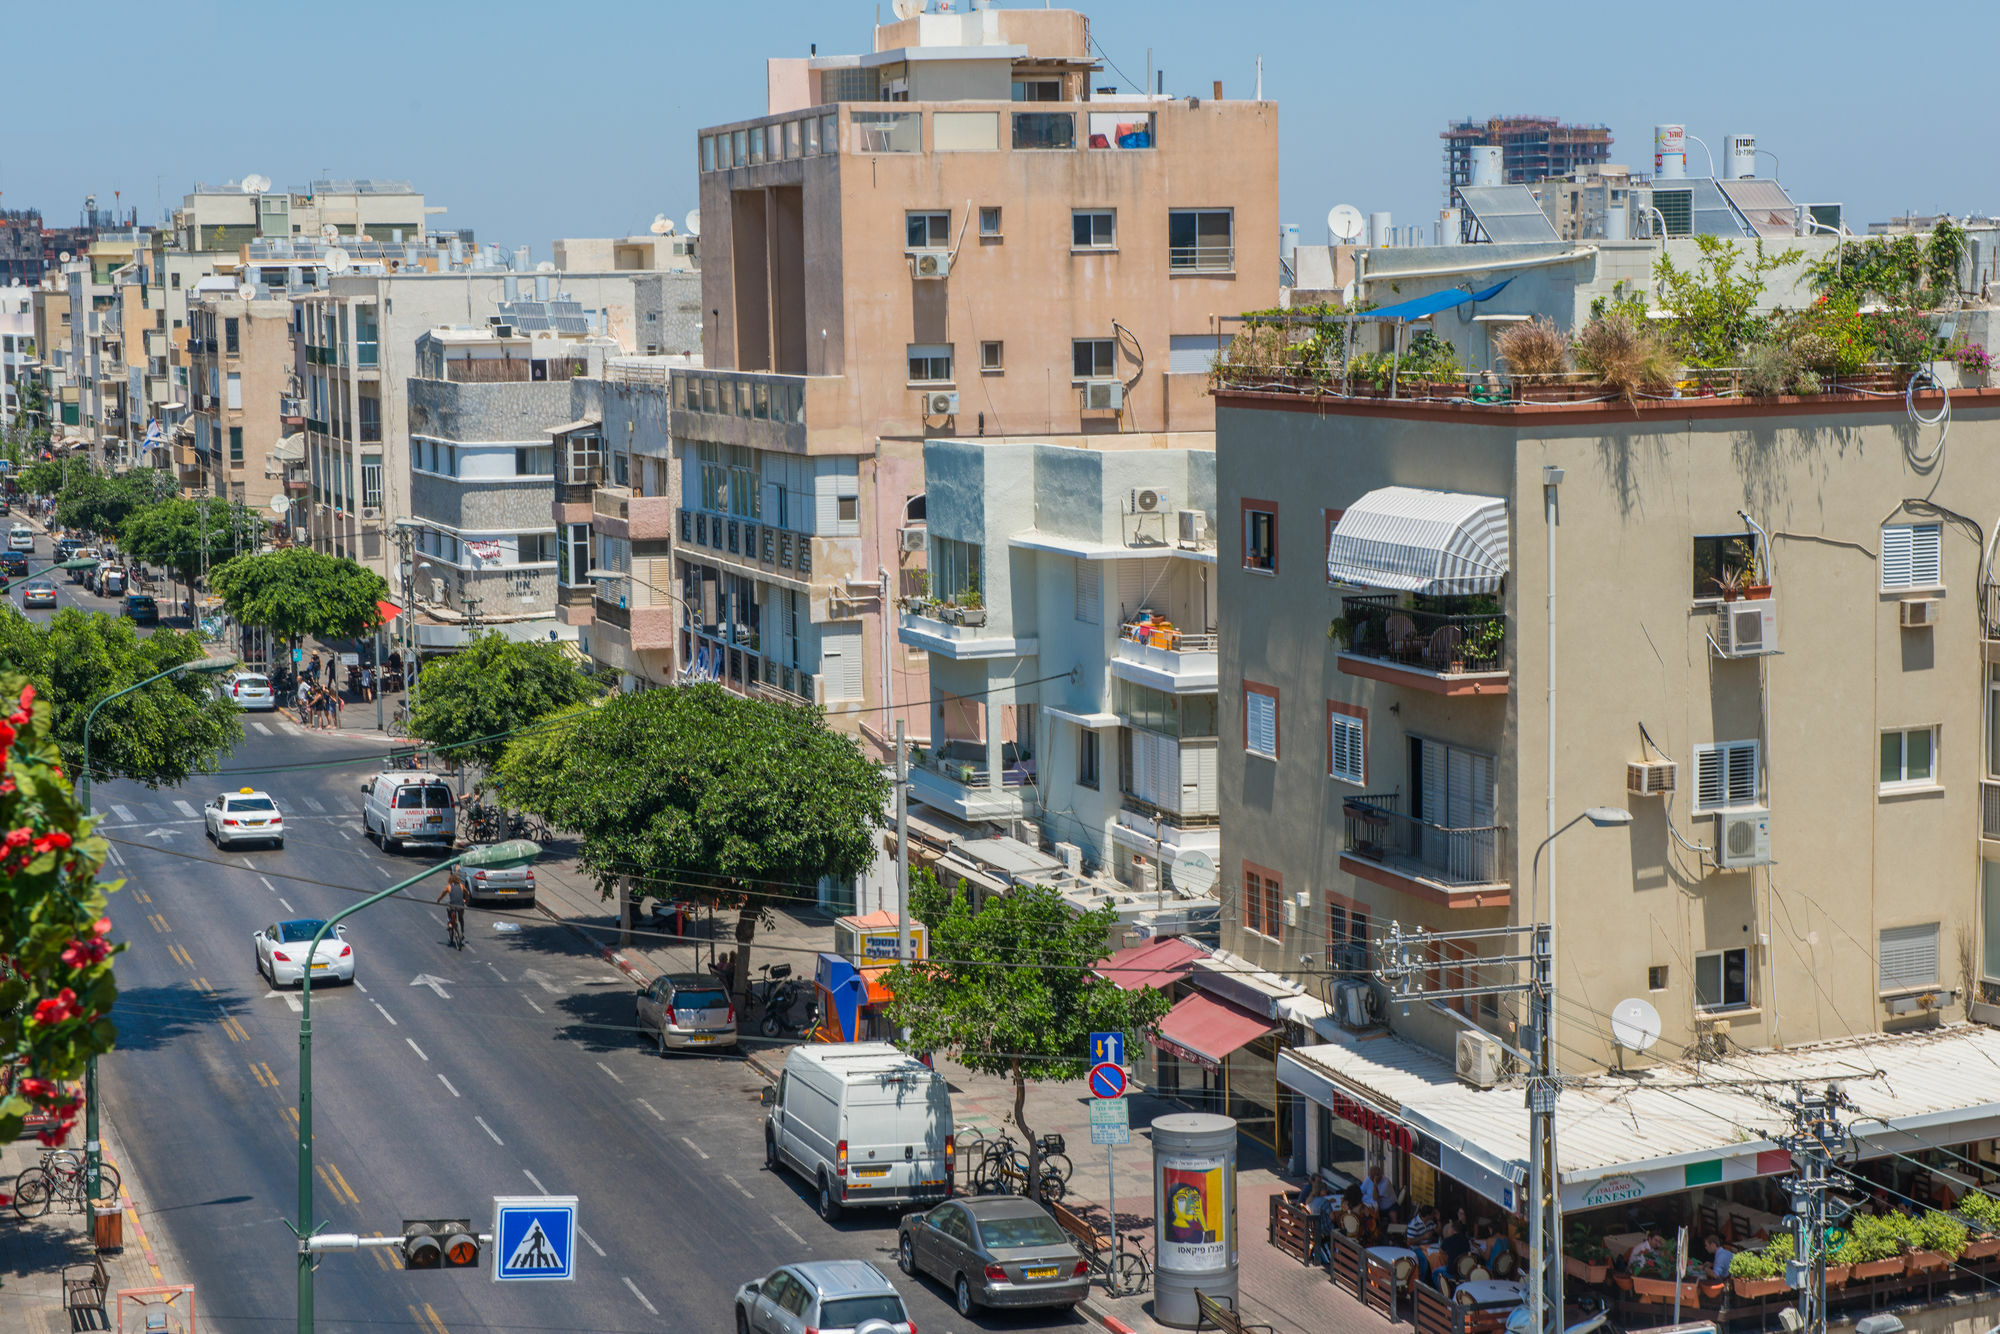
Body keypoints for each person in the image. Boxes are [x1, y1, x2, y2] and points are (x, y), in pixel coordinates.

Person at [436, 865, 468, 945]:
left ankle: (450, 922)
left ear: (450, 880)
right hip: (461, 905)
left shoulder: (448, 887)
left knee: (448, 909)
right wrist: (465, 900)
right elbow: (467, 893)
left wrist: (438, 900)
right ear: (458, 880)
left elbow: (442, 895)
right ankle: (462, 933)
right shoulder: (461, 886)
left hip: (453, 905)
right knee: (461, 918)